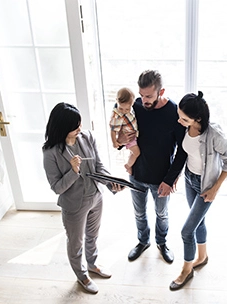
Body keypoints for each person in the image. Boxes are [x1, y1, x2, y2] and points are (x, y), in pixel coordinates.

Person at [42, 102, 123, 294]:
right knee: (75, 242)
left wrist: (111, 183)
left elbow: (98, 166)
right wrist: (73, 171)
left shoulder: (86, 137)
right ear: (62, 128)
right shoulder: (50, 153)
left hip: (95, 196)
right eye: (75, 126)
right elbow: (56, 187)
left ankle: (93, 264)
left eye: (80, 123)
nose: (80, 128)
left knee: (93, 236)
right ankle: (82, 275)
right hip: (74, 205)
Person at [117, 70, 187, 264]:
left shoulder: (174, 112)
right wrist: (120, 140)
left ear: (161, 91)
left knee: (162, 214)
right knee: (139, 212)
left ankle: (162, 242)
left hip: (161, 178)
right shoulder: (136, 106)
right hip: (137, 174)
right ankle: (143, 241)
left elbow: (183, 151)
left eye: (148, 96)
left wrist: (170, 179)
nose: (143, 100)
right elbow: (122, 132)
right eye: (141, 95)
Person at [169, 91, 227, 291]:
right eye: (179, 115)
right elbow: (186, 154)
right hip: (190, 178)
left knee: (186, 231)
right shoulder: (186, 128)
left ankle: (186, 271)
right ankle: (202, 257)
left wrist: (215, 188)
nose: (179, 121)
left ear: (198, 118)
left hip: (205, 185)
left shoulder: (215, 135)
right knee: (199, 222)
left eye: (184, 118)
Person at [109, 87, 140, 175]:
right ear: (116, 101)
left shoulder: (131, 108)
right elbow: (113, 130)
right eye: (121, 108)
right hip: (128, 137)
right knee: (136, 152)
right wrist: (114, 142)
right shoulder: (117, 115)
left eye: (127, 109)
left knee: (132, 152)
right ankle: (128, 165)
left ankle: (129, 165)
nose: (124, 111)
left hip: (133, 135)